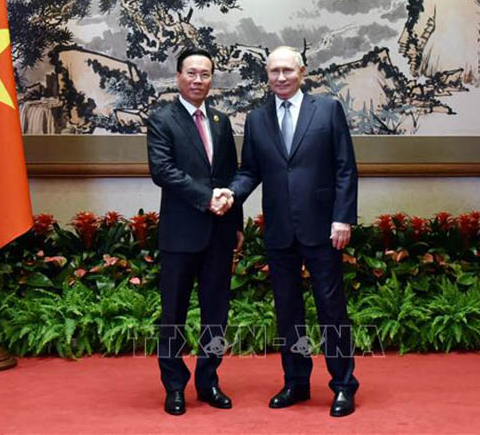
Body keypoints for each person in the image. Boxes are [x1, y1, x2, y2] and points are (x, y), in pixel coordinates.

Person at [216, 45, 359, 417]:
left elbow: (345, 168)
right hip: (280, 230)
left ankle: (343, 385)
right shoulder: (257, 119)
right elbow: (250, 171)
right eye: (274, 71)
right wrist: (231, 194)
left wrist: (343, 218)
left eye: (287, 70)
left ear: (302, 72)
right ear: (267, 75)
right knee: (288, 311)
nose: (281, 77)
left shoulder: (327, 109)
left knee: (331, 310)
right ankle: (296, 382)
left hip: (324, 227)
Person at [147, 48, 243, 416]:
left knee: (216, 313)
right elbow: (163, 171)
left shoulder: (220, 120)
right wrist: (206, 199)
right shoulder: (162, 119)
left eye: (205, 74)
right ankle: (174, 386)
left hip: (220, 232)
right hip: (181, 234)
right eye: (191, 73)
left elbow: (230, 174)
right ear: (178, 77)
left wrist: (236, 222)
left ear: (211, 79)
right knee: (173, 313)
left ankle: (208, 381)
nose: (198, 80)